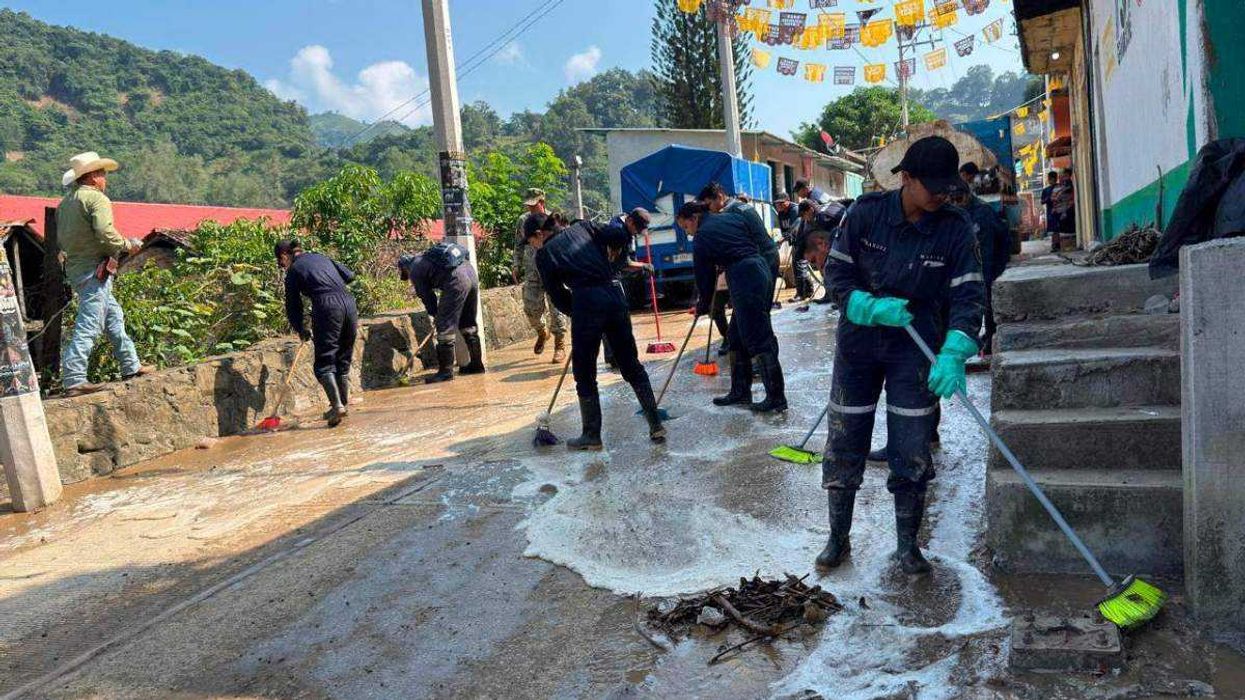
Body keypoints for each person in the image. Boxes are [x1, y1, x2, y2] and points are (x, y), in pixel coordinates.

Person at [805, 136, 985, 576]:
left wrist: (956, 348)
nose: (942, 196)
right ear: (906, 178)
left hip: (916, 342)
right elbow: (837, 272)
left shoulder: (955, 227)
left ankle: (908, 546)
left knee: (911, 444)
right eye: (933, 187)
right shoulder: (865, 214)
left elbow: (968, 295)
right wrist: (864, 305)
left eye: (947, 188)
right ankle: (838, 538)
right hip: (859, 344)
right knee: (846, 437)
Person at [536, 208, 665, 449]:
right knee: (631, 364)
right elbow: (616, 235)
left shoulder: (544, 254)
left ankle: (591, 435)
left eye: (531, 240)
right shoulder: (583, 227)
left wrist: (578, 311)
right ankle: (656, 424)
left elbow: (557, 295)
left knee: (585, 372)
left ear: (539, 234)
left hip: (586, 301)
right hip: (614, 294)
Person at [56, 151, 154, 397]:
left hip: (78, 270)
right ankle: (74, 378)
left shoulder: (66, 203)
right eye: (102, 174)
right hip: (95, 271)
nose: (104, 179)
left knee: (113, 317)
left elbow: (63, 240)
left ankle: (130, 365)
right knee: (90, 324)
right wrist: (127, 245)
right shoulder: (97, 199)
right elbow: (104, 232)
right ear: (92, 177)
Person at [682, 201, 787, 413]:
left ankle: (776, 397)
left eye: (685, 226)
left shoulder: (702, 236)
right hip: (758, 268)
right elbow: (742, 242)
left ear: (694, 218)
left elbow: (704, 277)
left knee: (759, 337)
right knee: (736, 336)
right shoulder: (730, 217)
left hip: (745, 276)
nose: (687, 232)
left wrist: (703, 304)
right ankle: (740, 391)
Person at [277, 239, 358, 427]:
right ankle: (342, 405)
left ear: (284, 256)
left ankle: (337, 406)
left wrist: (300, 329)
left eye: (281, 262)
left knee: (324, 362)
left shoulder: (294, 270)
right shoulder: (321, 257)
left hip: (327, 307)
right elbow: (350, 275)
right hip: (349, 304)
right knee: (343, 358)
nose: (282, 266)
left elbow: (293, 306)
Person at [398, 241, 485, 384]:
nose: (408, 278)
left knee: (445, 327)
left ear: (404, 268)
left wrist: (435, 315)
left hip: (457, 280)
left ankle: (445, 372)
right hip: (470, 273)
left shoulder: (414, 269)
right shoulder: (426, 259)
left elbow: (427, 296)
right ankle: (477, 365)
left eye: (405, 274)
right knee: (468, 324)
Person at [950, 187, 1011, 353]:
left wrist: (997, 267)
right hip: (968, 267)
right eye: (953, 200)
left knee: (987, 304)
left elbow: (1000, 241)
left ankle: (990, 338)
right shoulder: (958, 214)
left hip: (987, 266)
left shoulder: (983, 212)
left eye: (959, 199)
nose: (956, 203)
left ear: (967, 195)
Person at [513, 189, 565, 361]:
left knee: (557, 307)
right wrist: (516, 264)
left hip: (553, 270)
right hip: (532, 270)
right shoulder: (523, 220)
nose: (530, 208)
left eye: (533, 205)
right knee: (530, 307)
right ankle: (542, 332)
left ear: (542, 202)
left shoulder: (553, 219)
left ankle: (559, 344)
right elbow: (518, 244)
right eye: (528, 205)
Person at [796, 198, 848, 304]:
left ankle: (839, 296)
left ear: (810, 210)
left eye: (803, 215)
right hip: (833, 239)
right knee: (824, 266)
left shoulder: (824, 217)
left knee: (834, 268)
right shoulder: (812, 217)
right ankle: (829, 294)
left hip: (845, 237)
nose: (803, 218)